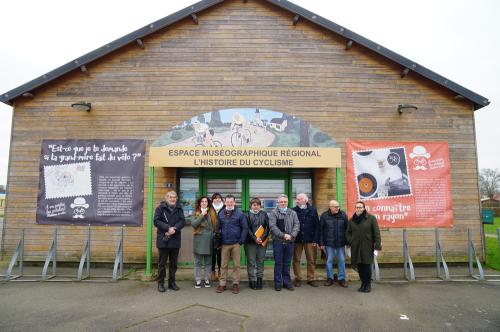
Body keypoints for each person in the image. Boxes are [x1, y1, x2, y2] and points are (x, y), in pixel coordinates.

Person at [346, 201, 382, 293]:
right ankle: (362, 284)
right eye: (357, 207)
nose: (358, 209)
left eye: (360, 207)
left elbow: (376, 233)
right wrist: (350, 241)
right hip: (356, 247)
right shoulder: (352, 220)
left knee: (366, 266)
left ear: (364, 208)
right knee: (360, 266)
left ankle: (368, 284)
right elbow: (348, 232)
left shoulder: (371, 218)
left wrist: (377, 246)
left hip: (367, 247)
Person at [153, 191, 186, 292]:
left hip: (175, 239)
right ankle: (160, 283)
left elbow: (182, 221)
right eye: (171, 197)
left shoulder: (179, 208)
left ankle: (172, 283)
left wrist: (175, 228)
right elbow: (156, 221)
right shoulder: (160, 208)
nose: (173, 199)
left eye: (174, 197)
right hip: (164, 239)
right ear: (166, 198)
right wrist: (168, 228)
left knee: (173, 264)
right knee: (162, 264)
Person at [215, 195, 248, 294]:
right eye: (227, 202)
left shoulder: (239, 214)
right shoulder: (221, 214)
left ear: (234, 203)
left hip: (236, 243)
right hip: (224, 244)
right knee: (223, 265)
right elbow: (218, 228)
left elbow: (245, 228)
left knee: (236, 265)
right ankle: (222, 284)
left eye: (231, 202)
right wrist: (219, 239)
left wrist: (241, 241)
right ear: (225, 203)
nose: (229, 204)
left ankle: (235, 284)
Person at [269, 194, 300, 291]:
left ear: (287, 202)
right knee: (278, 263)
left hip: (290, 241)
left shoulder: (293, 213)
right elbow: (273, 226)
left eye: (285, 202)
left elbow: (297, 225)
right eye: (281, 202)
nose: (283, 203)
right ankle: (278, 283)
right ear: (278, 203)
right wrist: (283, 235)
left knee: (287, 263)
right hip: (278, 242)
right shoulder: (273, 213)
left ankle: (287, 283)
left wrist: (292, 235)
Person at [292, 193, 320, 287]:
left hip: (310, 239)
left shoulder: (313, 210)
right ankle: (298, 278)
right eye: (297, 199)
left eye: (299, 199)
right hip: (297, 239)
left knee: (311, 260)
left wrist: (316, 239)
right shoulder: (293, 210)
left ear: (305, 200)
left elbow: (317, 226)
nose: (297, 200)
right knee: (296, 260)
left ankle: (311, 278)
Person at [319, 200, 349, 287]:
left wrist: (347, 242)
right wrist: (321, 243)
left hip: (340, 243)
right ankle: (330, 278)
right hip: (329, 243)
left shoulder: (343, 215)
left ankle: (341, 279)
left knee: (342, 261)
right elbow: (321, 231)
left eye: (338, 206)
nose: (337, 208)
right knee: (329, 261)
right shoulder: (324, 216)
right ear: (330, 207)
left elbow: (347, 230)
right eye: (335, 207)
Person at [191, 196, 217, 289]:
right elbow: (194, 224)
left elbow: (215, 226)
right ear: (199, 203)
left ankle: (207, 279)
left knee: (208, 262)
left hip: (209, 240)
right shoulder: (196, 212)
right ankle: (198, 280)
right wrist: (202, 214)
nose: (204, 203)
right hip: (199, 240)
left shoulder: (212, 212)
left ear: (208, 203)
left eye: (206, 201)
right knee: (198, 262)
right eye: (202, 201)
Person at [245, 197, 270, 290]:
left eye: (258, 205)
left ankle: (259, 279)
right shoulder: (246, 215)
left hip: (262, 242)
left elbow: (267, 227)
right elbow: (246, 229)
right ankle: (251, 280)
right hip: (250, 242)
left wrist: (261, 238)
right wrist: (255, 238)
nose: (256, 207)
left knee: (260, 261)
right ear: (251, 205)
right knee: (251, 262)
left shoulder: (264, 214)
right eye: (254, 205)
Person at [210, 193, 224, 281]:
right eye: (215, 198)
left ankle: (220, 271)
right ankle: (212, 272)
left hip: (221, 235)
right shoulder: (209, 208)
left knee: (220, 255)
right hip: (211, 234)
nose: (217, 200)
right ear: (213, 200)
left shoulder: (224, 208)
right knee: (212, 255)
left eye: (219, 198)